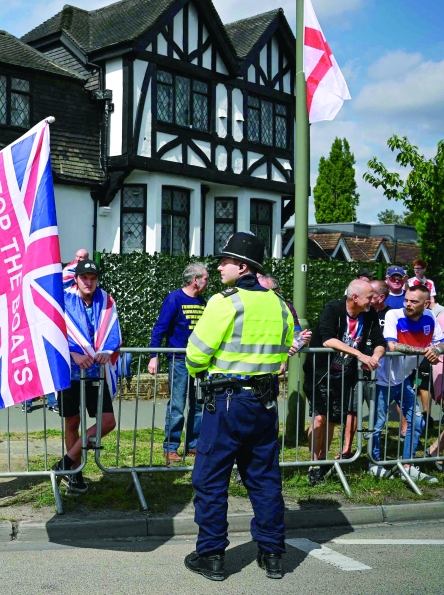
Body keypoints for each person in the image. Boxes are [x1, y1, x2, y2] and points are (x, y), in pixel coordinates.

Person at [184, 232, 294, 582]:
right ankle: (273, 554)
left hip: (227, 402)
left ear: (242, 267)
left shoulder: (223, 301)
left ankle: (212, 555)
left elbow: (195, 353)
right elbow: (287, 344)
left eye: (224, 261)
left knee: (210, 478)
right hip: (264, 402)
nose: (218, 266)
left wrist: (202, 369)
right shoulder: (278, 303)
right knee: (263, 479)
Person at [302, 280, 385, 485]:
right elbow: (327, 339)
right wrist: (360, 355)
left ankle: (323, 460)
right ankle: (313, 464)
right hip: (321, 372)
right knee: (320, 418)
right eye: (368, 297)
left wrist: (374, 357)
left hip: (344, 374)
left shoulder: (369, 314)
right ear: (355, 298)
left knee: (332, 419)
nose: (372, 301)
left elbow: (379, 341)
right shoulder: (334, 309)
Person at [52, 259, 121, 494]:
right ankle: (75, 474)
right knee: (72, 422)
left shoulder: (106, 300)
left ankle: (65, 463)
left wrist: (107, 350)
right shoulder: (64, 300)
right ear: (76, 279)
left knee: (108, 422)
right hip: (70, 372)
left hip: (96, 374)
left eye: (93, 278)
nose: (89, 282)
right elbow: (55, 331)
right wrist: (73, 353)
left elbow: (113, 331)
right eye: (84, 278)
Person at [382, 284, 443, 484]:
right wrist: (425, 351)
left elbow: (441, 341)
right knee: (375, 426)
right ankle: (374, 465)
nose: (408, 304)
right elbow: (392, 345)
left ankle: (407, 466)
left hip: (403, 380)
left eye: (413, 301)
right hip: (381, 379)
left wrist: (436, 351)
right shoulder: (394, 314)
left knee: (416, 422)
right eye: (406, 299)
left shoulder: (430, 317)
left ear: (426, 304)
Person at [149, 263, 208, 464]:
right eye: (205, 278)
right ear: (195, 280)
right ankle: (171, 447)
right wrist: (153, 355)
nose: (208, 282)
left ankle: (193, 445)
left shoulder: (202, 301)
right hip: (179, 360)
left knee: (198, 404)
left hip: (199, 362)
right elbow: (160, 327)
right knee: (177, 404)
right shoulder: (174, 298)